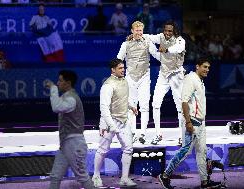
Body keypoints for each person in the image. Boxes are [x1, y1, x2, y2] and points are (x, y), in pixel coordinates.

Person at [158, 58, 221, 189]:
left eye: (208, 67)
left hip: (201, 122)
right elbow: (184, 102)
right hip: (191, 121)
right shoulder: (190, 79)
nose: (207, 70)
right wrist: (188, 122)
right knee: (186, 150)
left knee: (202, 151)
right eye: (204, 67)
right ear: (197, 66)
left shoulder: (200, 81)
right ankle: (165, 175)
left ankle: (204, 181)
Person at [92, 58, 138, 188]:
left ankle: (124, 178)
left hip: (123, 120)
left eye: (123, 68)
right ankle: (96, 176)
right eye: (120, 68)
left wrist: (131, 106)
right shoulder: (108, 85)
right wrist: (111, 125)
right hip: (108, 122)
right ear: (113, 70)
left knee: (128, 148)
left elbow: (122, 98)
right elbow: (104, 108)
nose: (123, 70)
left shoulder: (124, 81)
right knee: (102, 149)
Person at [45, 70, 94, 189]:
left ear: (68, 83)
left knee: (82, 177)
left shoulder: (72, 99)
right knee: (55, 176)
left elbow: (56, 107)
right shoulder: (66, 96)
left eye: (60, 81)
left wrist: (53, 88)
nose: (58, 83)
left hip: (74, 144)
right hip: (66, 144)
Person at [144, 20, 186, 145]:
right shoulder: (160, 37)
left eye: (170, 31)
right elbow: (148, 36)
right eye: (166, 30)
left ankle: (181, 135)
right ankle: (158, 134)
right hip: (163, 75)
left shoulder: (179, 40)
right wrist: (136, 35)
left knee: (180, 107)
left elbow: (179, 48)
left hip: (176, 75)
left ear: (174, 31)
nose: (167, 33)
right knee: (155, 104)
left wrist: (166, 49)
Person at [117, 21, 159, 144]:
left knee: (145, 106)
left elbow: (157, 55)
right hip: (130, 78)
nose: (139, 32)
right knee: (131, 106)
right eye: (137, 30)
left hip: (144, 77)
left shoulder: (148, 42)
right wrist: (117, 75)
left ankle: (143, 133)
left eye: (141, 30)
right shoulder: (125, 44)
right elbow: (119, 59)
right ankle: (133, 132)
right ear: (132, 31)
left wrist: (170, 60)